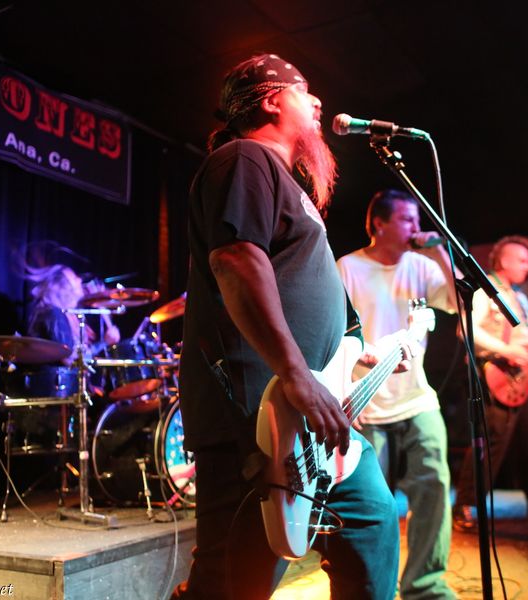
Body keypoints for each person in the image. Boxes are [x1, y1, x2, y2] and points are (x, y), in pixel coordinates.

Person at [173, 54, 400, 599]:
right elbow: (236, 261)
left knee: (372, 522)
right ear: (273, 100)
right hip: (258, 414)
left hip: (313, 420)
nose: (318, 102)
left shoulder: (283, 181)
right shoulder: (244, 157)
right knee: (234, 583)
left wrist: (355, 355)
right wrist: (295, 374)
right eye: (305, 91)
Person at [336, 189, 459, 599]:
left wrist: (439, 251)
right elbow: (332, 334)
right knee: (373, 503)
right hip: (365, 401)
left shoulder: (421, 265)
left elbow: (458, 303)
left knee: (434, 486)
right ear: (379, 224)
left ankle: (425, 585)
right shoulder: (348, 268)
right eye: (407, 219)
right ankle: (374, 587)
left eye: (417, 220)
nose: (415, 227)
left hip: (417, 397)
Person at [453, 235, 528, 530]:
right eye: (522, 260)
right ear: (503, 261)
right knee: (491, 443)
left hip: (524, 378)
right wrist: (506, 350)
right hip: (496, 374)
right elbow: (465, 330)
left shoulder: (520, 298)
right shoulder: (485, 291)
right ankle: (466, 506)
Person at [25, 263, 120, 360]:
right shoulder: (54, 314)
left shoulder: (66, 314)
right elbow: (71, 359)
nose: (80, 280)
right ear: (63, 288)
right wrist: (104, 343)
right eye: (75, 278)